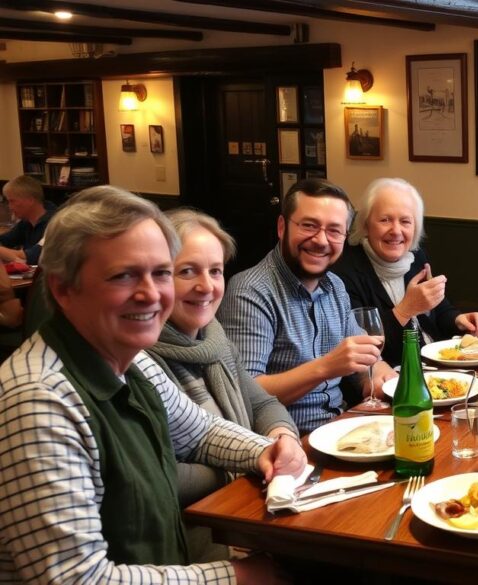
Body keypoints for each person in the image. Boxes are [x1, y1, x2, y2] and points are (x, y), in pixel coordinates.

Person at [0, 186, 302, 583]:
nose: (150, 294)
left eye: (160, 273)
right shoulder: (39, 400)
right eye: (124, 276)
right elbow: (75, 579)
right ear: (63, 288)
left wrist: (267, 450)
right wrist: (235, 577)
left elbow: (200, 432)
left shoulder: (131, 360)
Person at [146, 208, 303, 562]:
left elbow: (262, 404)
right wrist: (256, 459)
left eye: (215, 271)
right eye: (187, 271)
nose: (207, 286)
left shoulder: (214, 338)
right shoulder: (138, 355)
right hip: (189, 544)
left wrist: (283, 439)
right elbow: (156, 473)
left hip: (245, 511)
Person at [219, 178, 396, 434]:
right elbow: (245, 394)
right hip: (286, 443)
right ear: (282, 227)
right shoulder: (251, 291)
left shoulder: (335, 286)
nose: (321, 240)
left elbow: (369, 361)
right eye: (309, 226)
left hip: (342, 427)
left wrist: (384, 377)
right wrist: (326, 367)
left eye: (334, 230)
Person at [333, 178, 478, 366]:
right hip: (395, 377)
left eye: (405, 221)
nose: (396, 230)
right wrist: (405, 309)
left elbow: (439, 309)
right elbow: (366, 349)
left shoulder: (415, 257)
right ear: (366, 224)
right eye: (385, 220)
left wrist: (459, 320)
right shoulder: (344, 273)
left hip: (438, 365)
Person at [0, 174, 55, 264]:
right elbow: (5, 240)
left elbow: (34, 256)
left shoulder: (55, 223)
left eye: (12, 201)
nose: (9, 207)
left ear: (30, 200)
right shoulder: (26, 222)